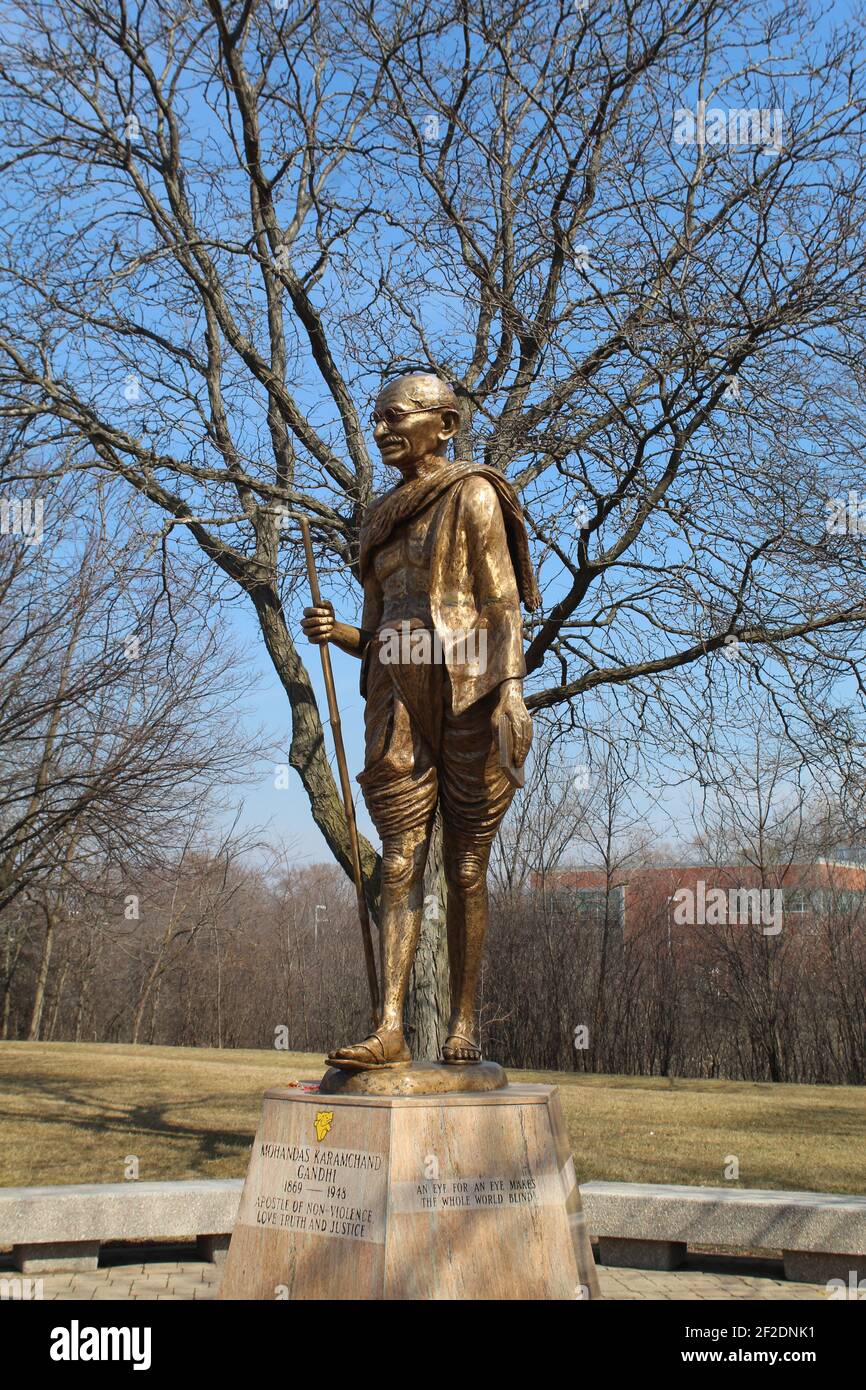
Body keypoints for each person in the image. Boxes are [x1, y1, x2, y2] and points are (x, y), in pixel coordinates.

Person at [302, 373, 539, 1069]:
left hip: (467, 683)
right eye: (376, 417)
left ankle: (462, 1024)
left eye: (395, 417)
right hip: (395, 690)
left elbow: (500, 602)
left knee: (467, 865)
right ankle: (391, 1027)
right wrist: (336, 631)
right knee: (400, 857)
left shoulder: (473, 492)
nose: (381, 429)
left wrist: (512, 691)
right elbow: (378, 630)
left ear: (445, 423)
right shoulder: (378, 518)